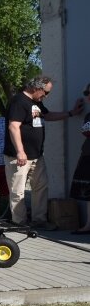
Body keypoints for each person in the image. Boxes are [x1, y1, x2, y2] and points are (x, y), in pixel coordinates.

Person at [3, 75, 83, 230]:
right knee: (17, 191)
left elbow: (48, 115)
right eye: (45, 92)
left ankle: (39, 219)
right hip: (19, 156)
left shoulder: (36, 103)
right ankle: (19, 224)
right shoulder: (19, 101)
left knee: (41, 187)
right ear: (35, 88)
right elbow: (13, 126)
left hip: (37, 156)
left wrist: (71, 113)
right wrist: (20, 151)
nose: (46, 96)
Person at [69, 83, 90, 234]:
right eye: (86, 93)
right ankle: (88, 225)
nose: (88, 96)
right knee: (89, 194)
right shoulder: (89, 115)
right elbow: (86, 131)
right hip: (88, 155)